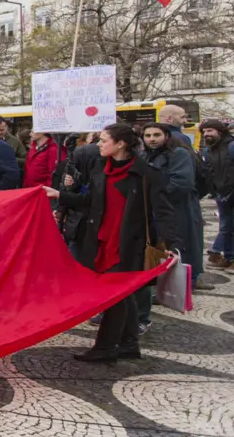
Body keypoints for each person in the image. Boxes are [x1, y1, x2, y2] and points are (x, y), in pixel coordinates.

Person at [45, 123, 177, 362]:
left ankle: (105, 348)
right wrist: (59, 195)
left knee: (114, 295)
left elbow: (164, 211)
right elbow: (90, 201)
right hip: (102, 240)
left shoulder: (145, 174)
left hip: (129, 244)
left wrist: (173, 245)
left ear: (120, 144)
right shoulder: (100, 169)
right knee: (122, 294)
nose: (98, 144)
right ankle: (128, 344)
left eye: (103, 140)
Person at [143, 123, 206, 299]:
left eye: (156, 135)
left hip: (178, 208)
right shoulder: (145, 155)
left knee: (181, 246)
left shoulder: (179, 154)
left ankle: (184, 286)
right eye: (148, 136)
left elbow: (182, 182)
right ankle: (162, 286)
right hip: (158, 210)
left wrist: (156, 196)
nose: (152, 139)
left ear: (166, 136)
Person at [200, 119, 234, 269]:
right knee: (227, 225)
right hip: (222, 194)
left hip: (231, 191)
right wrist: (214, 192)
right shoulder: (208, 150)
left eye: (210, 131)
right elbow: (209, 172)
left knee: (228, 226)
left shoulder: (231, 146)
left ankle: (223, 255)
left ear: (220, 132)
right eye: (204, 132)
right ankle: (224, 256)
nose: (206, 134)